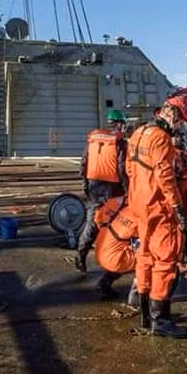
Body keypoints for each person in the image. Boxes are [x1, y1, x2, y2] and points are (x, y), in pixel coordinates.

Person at [126, 93, 187, 337]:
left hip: (138, 205)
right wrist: (177, 209)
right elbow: (165, 177)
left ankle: (146, 316)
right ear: (174, 115)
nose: (181, 126)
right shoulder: (162, 139)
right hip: (158, 208)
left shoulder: (138, 133)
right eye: (181, 121)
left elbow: (129, 169)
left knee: (144, 258)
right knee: (165, 262)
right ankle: (161, 321)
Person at [74, 109, 128, 273]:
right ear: (119, 124)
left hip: (93, 185)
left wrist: (85, 183)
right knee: (114, 224)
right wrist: (127, 189)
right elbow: (121, 167)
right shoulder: (120, 143)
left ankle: (81, 254)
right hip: (112, 188)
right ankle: (111, 263)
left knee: (92, 222)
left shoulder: (93, 140)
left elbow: (84, 162)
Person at [92, 195, 137, 298]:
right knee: (149, 257)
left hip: (99, 250)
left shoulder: (114, 200)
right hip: (114, 260)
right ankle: (138, 293)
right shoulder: (138, 213)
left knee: (122, 248)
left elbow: (97, 219)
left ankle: (105, 282)